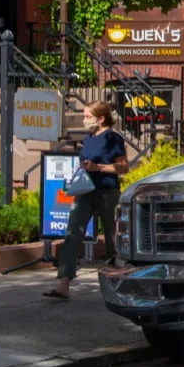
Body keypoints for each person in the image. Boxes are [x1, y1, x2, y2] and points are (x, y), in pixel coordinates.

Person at [44, 102, 128, 300]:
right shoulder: (89, 138)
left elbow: (124, 167)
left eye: (88, 116)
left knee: (111, 238)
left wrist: (98, 167)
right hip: (85, 190)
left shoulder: (113, 138)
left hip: (107, 192)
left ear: (101, 118)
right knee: (72, 232)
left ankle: (117, 284)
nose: (85, 120)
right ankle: (64, 285)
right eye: (84, 116)